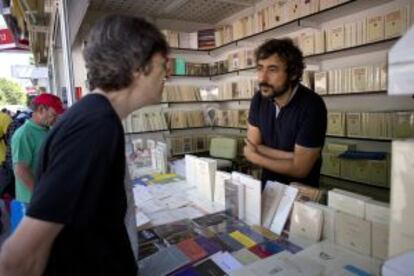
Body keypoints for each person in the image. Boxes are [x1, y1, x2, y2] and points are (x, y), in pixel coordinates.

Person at [0, 15, 170, 276]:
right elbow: (19, 258)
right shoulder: (95, 127)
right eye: (162, 63)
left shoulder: (93, 118)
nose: (167, 72)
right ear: (138, 66)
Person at [244, 38, 327, 188]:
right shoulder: (259, 98)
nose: (262, 78)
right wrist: (291, 156)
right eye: (260, 68)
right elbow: (252, 145)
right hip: (267, 189)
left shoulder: (312, 106)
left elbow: (300, 169)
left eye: (272, 70)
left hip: (300, 196)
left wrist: (256, 156)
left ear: (293, 73)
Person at [11, 94, 64, 204]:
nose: (55, 119)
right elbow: (21, 170)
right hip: (32, 201)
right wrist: (40, 195)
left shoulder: (47, 130)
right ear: (41, 110)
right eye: (53, 115)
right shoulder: (24, 134)